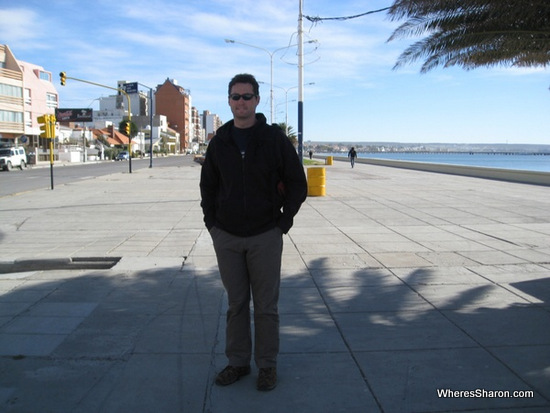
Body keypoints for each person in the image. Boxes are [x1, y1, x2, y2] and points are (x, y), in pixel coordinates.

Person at [200, 73, 307, 391]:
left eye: (247, 96)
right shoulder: (220, 141)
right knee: (235, 304)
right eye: (236, 97)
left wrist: (282, 223)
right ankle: (237, 363)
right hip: (228, 236)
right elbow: (208, 187)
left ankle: (267, 366)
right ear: (229, 101)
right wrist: (213, 225)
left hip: (265, 235)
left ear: (257, 100)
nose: (241, 102)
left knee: (266, 306)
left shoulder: (274, 139)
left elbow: (297, 183)